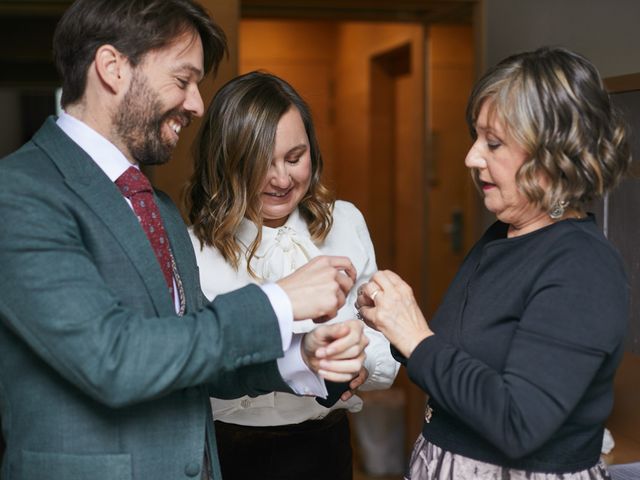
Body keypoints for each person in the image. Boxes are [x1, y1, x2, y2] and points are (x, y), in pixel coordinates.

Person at [0, 1, 369, 479]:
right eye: (182, 80)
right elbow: (112, 358)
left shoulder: (158, 207)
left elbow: (195, 353)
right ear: (113, 68)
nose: (196, 104)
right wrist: (278, 302)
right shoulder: (20, 193)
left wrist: (300, 357)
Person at [357, 46, 631, 479]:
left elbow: (518, 421)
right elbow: (468, 359)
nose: (471, 157)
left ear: (553, 151)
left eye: (494, 142)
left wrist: (415, 338)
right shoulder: (505, 235)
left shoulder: (583, 267)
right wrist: (391, 325)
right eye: (476, 136)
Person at [186, 71, 399, 480]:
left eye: (294, 157)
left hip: (324, 446)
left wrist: (359, 365)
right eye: (260, 164)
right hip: (228, 450)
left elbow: (380, 342)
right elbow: (191, 367)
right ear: (225, 162)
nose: (281, 179)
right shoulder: (192, 248)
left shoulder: (346, 222)